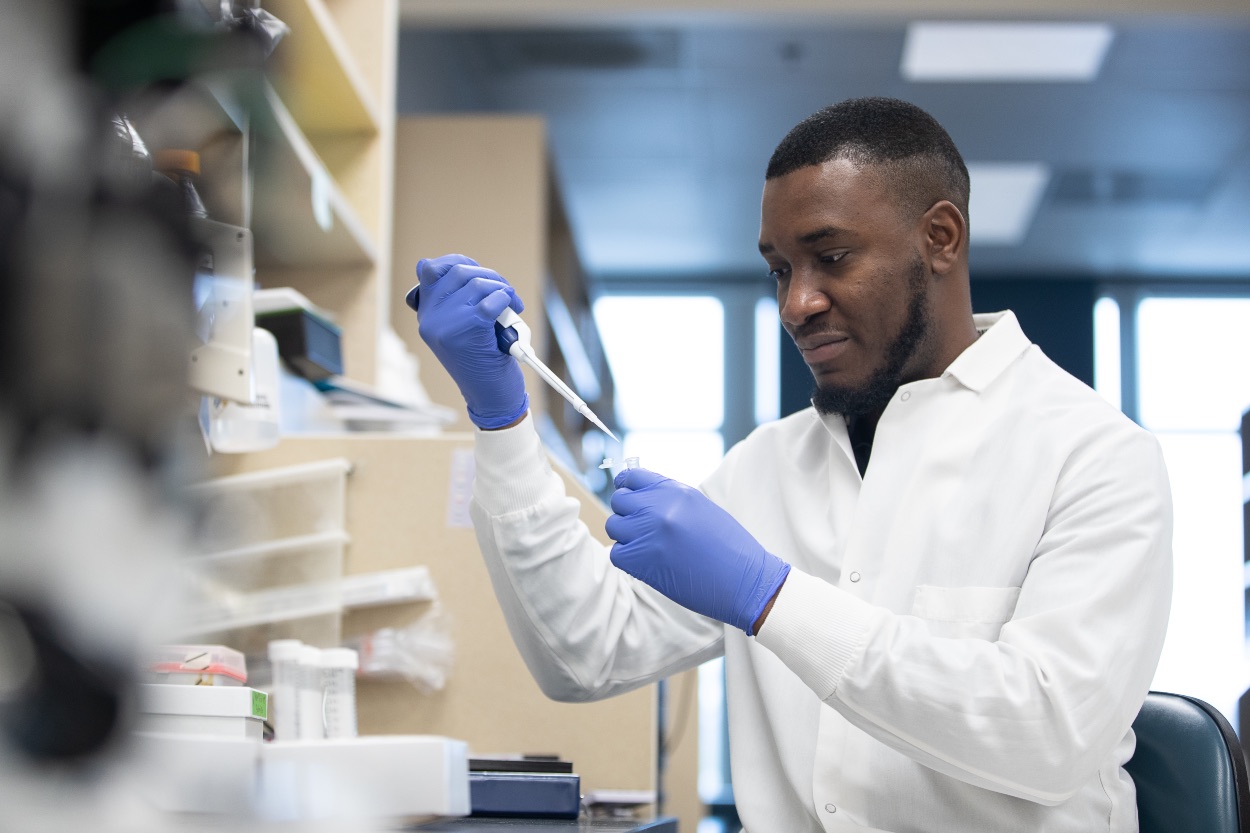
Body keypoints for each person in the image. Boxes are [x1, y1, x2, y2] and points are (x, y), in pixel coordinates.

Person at [412, 97, 1173, 833]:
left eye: (831, 257)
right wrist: (501, 418)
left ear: (940, 238)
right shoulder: (766, 466)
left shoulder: (1093, 457)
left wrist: (771, 596)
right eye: (779, 269)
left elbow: (1047, 738)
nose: (796, 303)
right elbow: (582, 650)